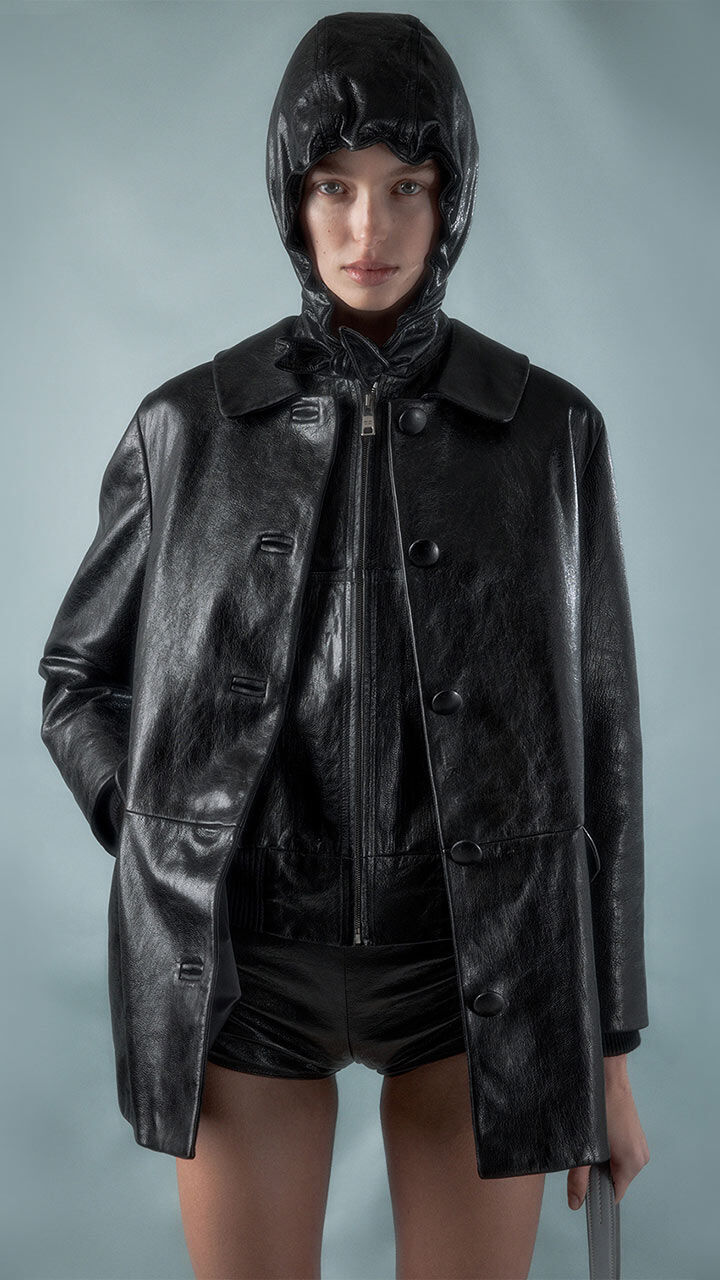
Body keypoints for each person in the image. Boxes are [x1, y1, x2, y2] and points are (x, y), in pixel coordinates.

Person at [39, 12, 650, 1280]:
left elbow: (604, 748)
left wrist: (609, 1049)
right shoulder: (186, 427)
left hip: (476, 963)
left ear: (451, 200)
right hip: (246, 964)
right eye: (334, 186)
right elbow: (76, 680)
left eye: (406, 186)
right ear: (292, 196)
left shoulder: (549, 434)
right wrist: (160, 829)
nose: (369, 228)